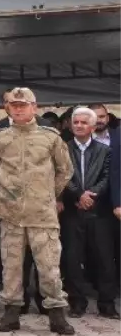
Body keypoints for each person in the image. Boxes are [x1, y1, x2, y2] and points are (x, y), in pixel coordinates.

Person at [0, 88, 75, 335]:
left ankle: (57, 315)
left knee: (49, 267)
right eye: (14, 105)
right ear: (8, 108)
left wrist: (46, 193)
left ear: (34, 107)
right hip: (11, 214)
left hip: (42, 214)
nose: (19, 108)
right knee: (11, 267)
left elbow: (65, 170)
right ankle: (11, 313)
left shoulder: (51, 137)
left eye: (23, 105)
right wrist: (5, 193)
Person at [60, 107, 116, 319]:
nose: (80, 126)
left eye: (84, 123)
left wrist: (92, 196)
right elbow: (63, 176)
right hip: (73, 213)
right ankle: (77, 303)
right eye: (76, 122)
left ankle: (107, 304)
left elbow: (107, 177)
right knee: (72, 259)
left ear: (93, 127)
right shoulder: (63, 149)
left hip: (98, 213)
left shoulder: (105, 151)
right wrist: (78, 195)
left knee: (104, 259)